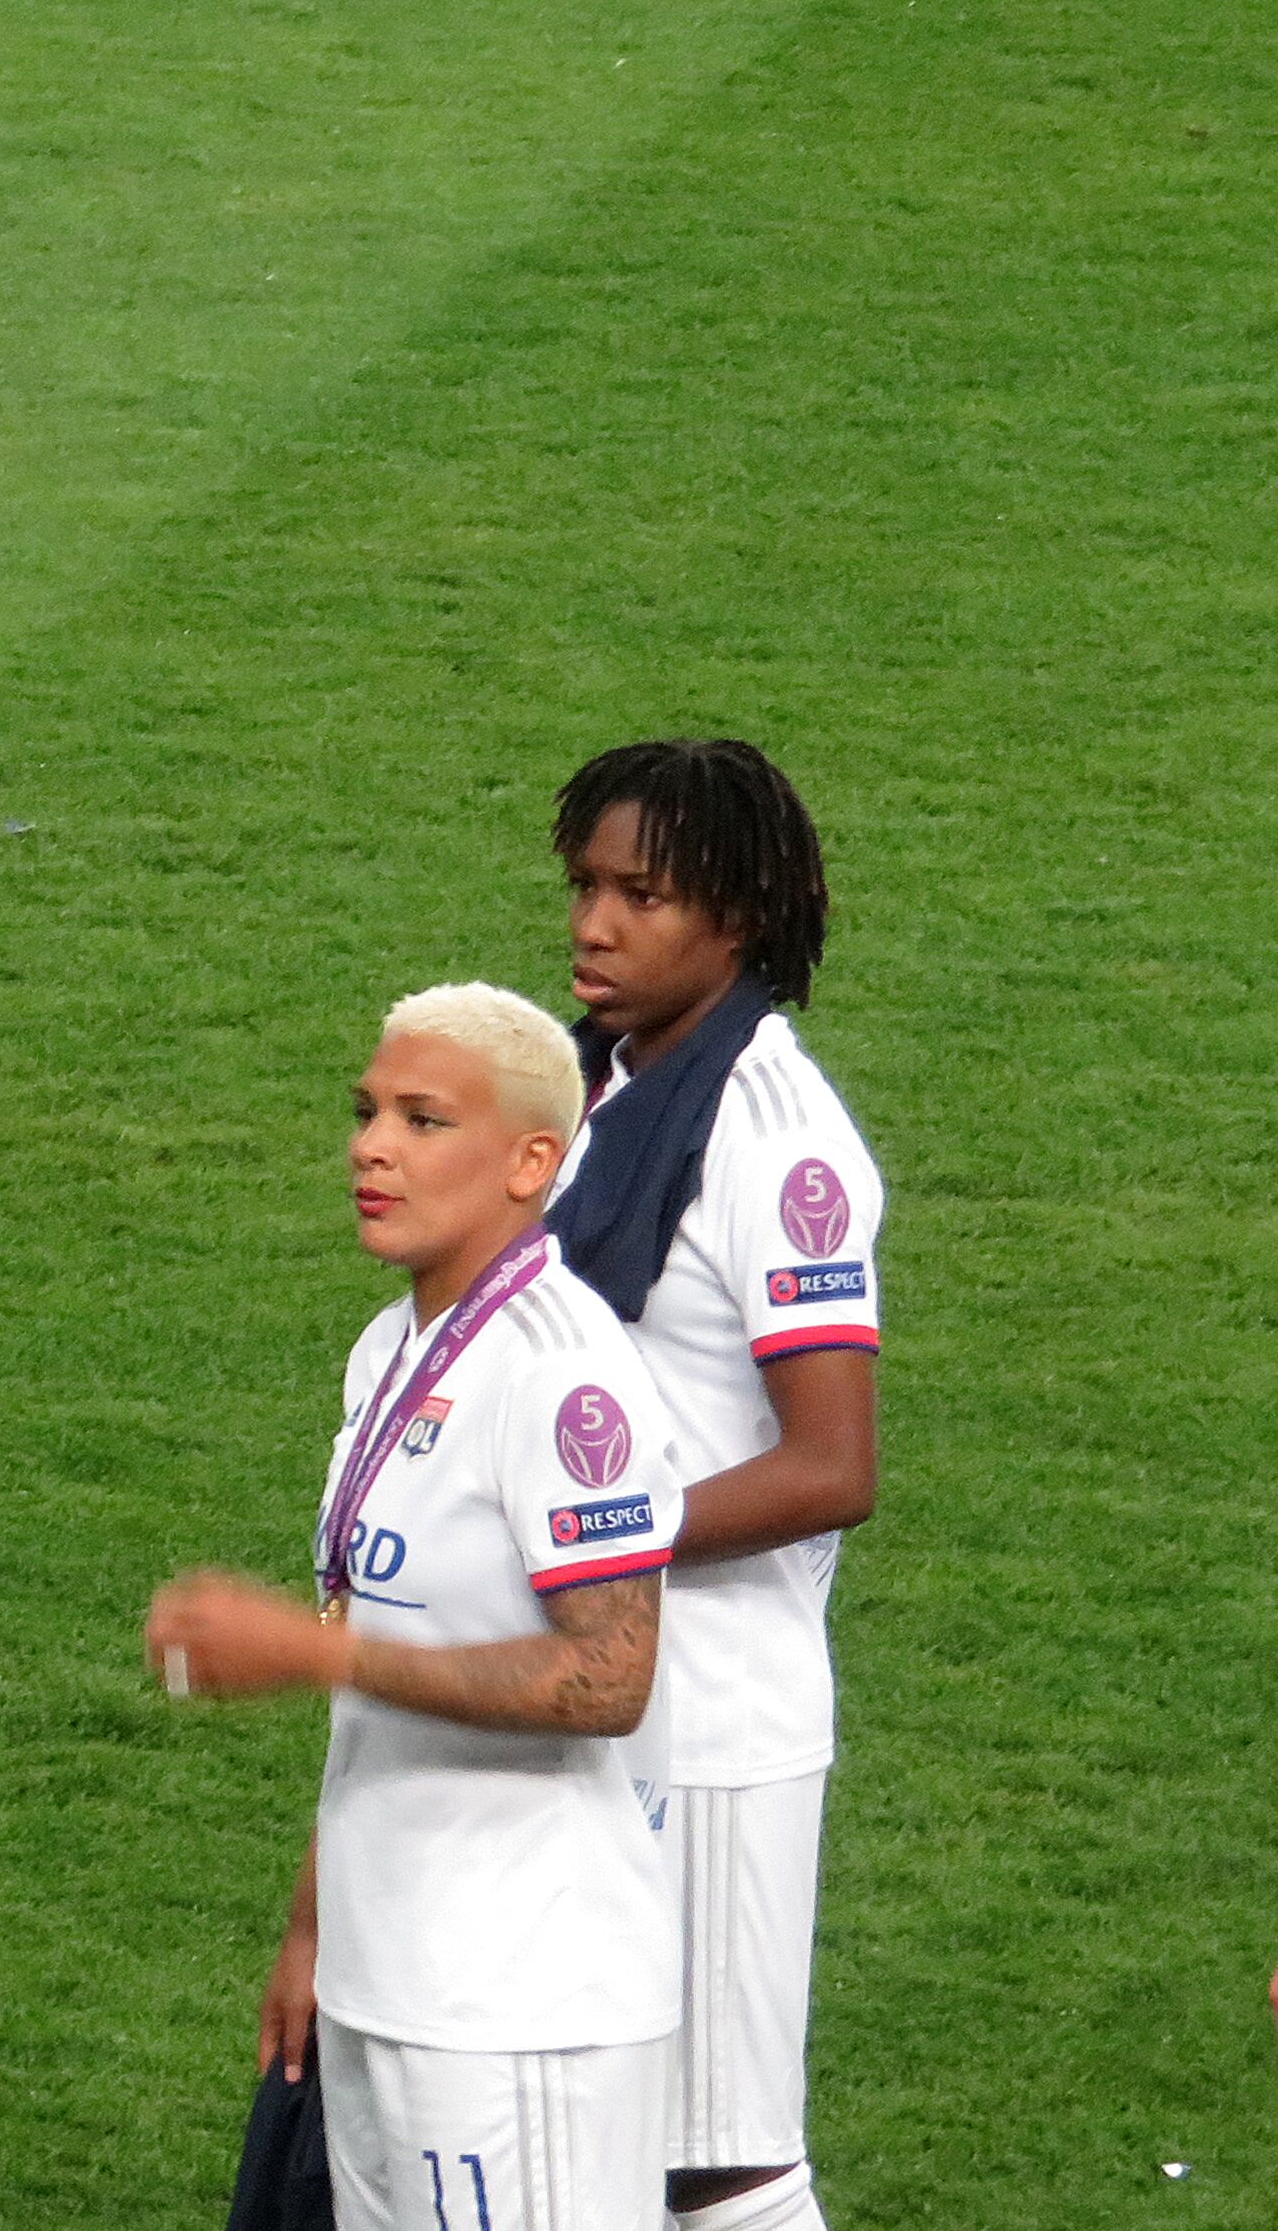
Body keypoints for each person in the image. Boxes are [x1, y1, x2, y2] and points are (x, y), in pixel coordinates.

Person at [151, 983, 698, 2231]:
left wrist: (305, 1648)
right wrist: (314, 1924)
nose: (371, 1145)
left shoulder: (563, 1379)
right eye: (367, 1110)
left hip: (523, 2009)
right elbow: (382, 1660)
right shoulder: (389, 1350)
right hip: (388, 1977)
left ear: (531, 1162)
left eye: (422, 1118)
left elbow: (611, 1676)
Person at [544, 740, 882, 2231]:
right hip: (598, 1690)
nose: (594, 927)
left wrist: (589, 1535)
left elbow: (832, 1464)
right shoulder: (586, 1089)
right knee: (598, 2136)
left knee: (721, 2166)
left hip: (720, 1727)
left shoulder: (774, 1132)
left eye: (642, 895)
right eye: (584, 887)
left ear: (737, 916)